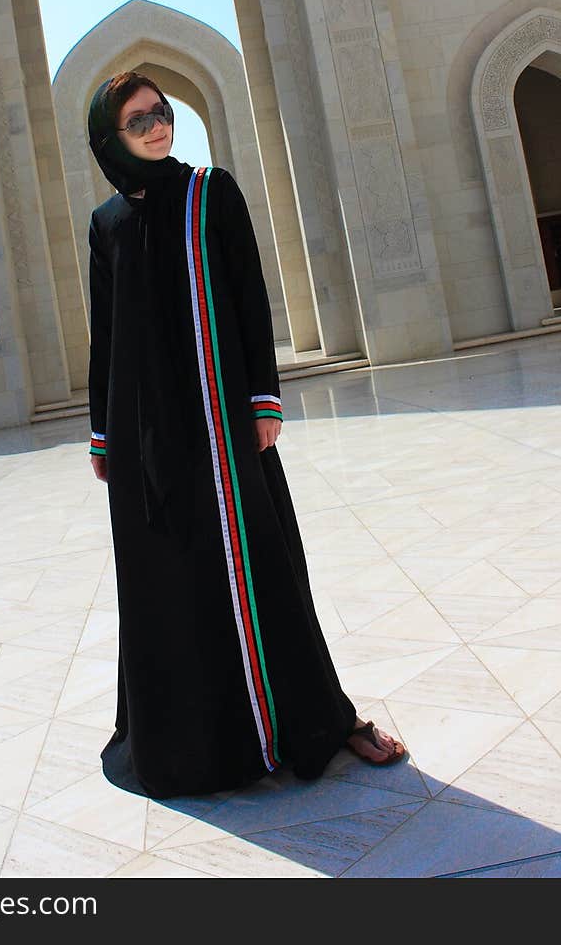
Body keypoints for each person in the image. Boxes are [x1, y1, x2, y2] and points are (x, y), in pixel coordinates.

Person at [86, 70, 407, 799]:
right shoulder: (106, 224)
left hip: (224, 426)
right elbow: (105, 335)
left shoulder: (210, 192)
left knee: (263, 568)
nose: (157, 127)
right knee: (172, 584)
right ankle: (201, 745)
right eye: (138, 122)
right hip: (148, 443)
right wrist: (104, 437)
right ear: (111, 139)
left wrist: (263, 398)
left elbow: (249, 296)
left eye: (161, 113)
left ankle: (321, 719)